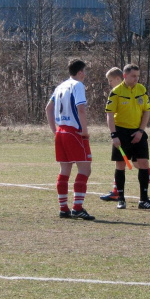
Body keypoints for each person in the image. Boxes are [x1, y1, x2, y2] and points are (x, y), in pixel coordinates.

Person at [99, 67, 150, 203]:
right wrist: (114, 134)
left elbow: (147, 110)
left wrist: (141, 131)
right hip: (121, 132)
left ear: (118, 78)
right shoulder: (116, 92)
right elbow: (110, 114)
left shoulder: (141, 89)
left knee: (141, 163)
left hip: (137, 133)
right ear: (125, 76)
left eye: (111, 80)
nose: (136, 79)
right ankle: (118, 193)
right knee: (122, 164)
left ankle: (149, 192)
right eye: (133, 76)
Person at [45, 59, 95, 220]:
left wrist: (55, 130)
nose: (85, 75)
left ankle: (63, 208)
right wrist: (85, 131)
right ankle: (77, 208)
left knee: (65, 170)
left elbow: (48, 108)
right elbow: (81, 109)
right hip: (74, 132)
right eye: (84, 72)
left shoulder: (61, 86)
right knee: (85, 169)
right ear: (80, 72)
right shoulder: (77, 85)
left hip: (61, 132)